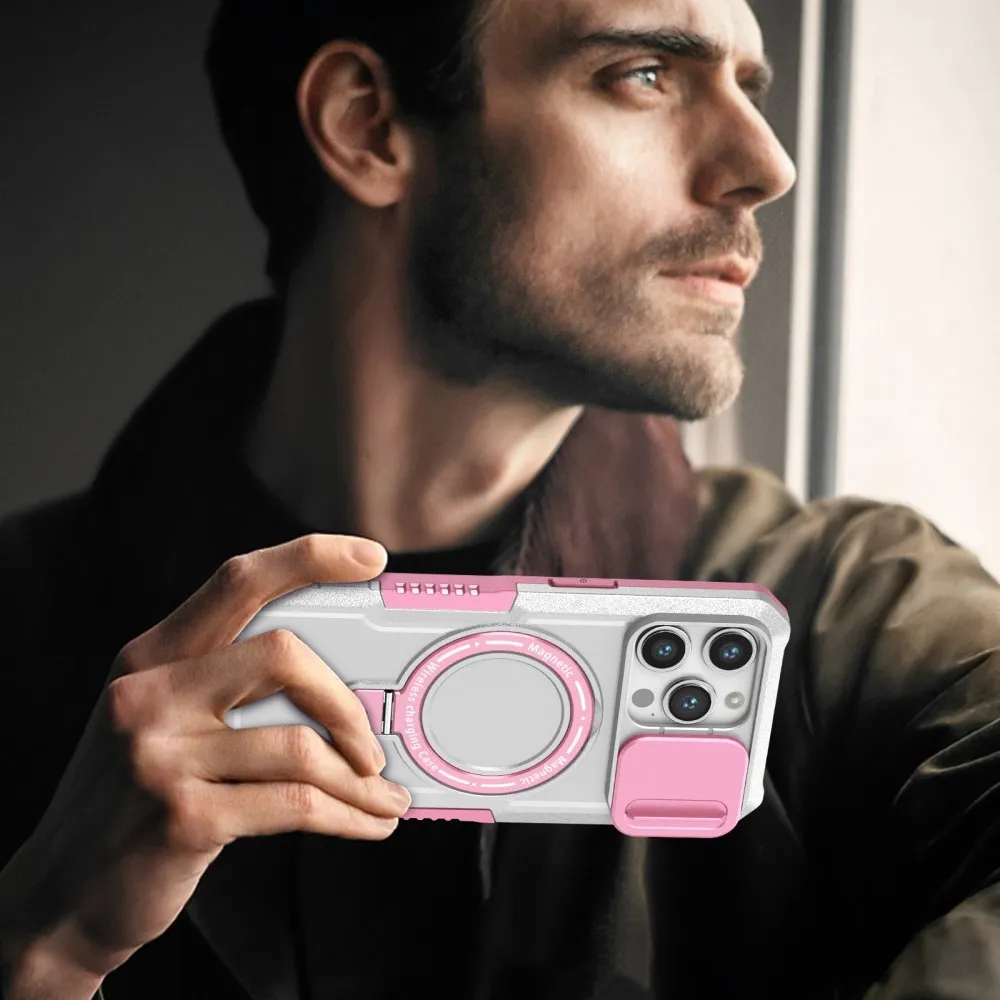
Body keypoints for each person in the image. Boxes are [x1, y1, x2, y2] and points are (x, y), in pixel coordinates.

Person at [1, 0, 998, 997]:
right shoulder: (18, 619)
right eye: (645, 74)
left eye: (750, 88)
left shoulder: (849, 605)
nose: (768, 165)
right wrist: (41, 953)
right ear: (365, 125)